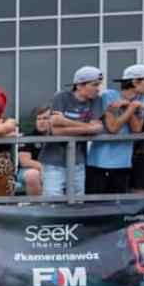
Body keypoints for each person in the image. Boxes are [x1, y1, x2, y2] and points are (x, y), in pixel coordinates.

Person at [86, 63, 144, 195]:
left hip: (123, 161)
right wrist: (132, 107)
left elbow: (137, 129)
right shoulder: (108, 95)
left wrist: (130, 106)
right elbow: (112, 127)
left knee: (117, 203)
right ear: (135, 82)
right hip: (101, 160)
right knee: (96, 204)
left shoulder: (142, 98)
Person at [41, 66, 107, 198]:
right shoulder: (62, 96)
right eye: (94, 85)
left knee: (77, 199)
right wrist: (87, 128)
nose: (97, 88)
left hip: (78, 159)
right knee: (53, 198)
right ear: (79, 85)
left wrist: (65, 121)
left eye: (98, 85)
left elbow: (96, 129)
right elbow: (55, 131)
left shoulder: (96, 100)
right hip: (54, 159)